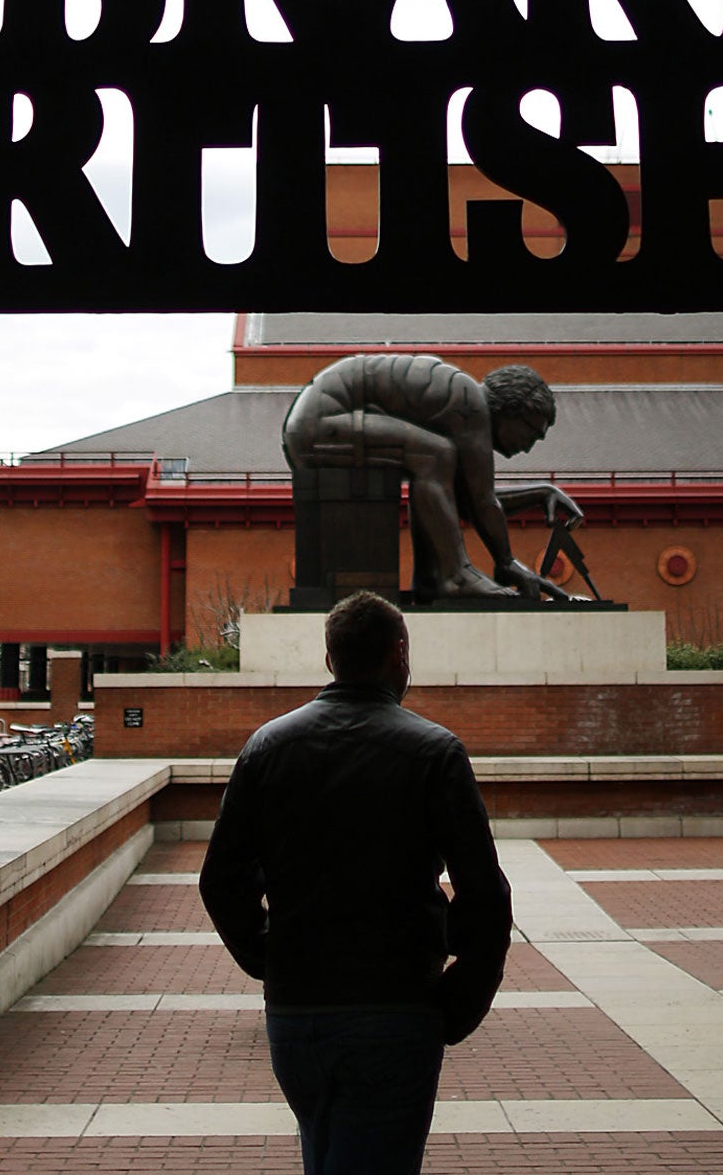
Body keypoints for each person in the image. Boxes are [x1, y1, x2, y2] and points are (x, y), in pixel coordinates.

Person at [199, 591, 512, 1175]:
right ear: (399, 654)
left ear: (329, 660)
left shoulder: (267, 747)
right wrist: (458, 1002)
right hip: (395, 1007)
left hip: (296, 1013)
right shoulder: (435, 752)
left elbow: (221, 879)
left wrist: (270, 957)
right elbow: (485, 894)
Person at [280, 354, 582, 601]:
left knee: (434, 461)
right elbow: (481, 502)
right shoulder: (470, 404)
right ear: (513, 410)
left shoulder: (461, 402)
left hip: (318, 426)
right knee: (435, 455)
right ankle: (454, 576)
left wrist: (540, 494)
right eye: (532, 433)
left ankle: (433, 580)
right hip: (317, 427)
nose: (529, 446)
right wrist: (506, 562)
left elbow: (462, 501)